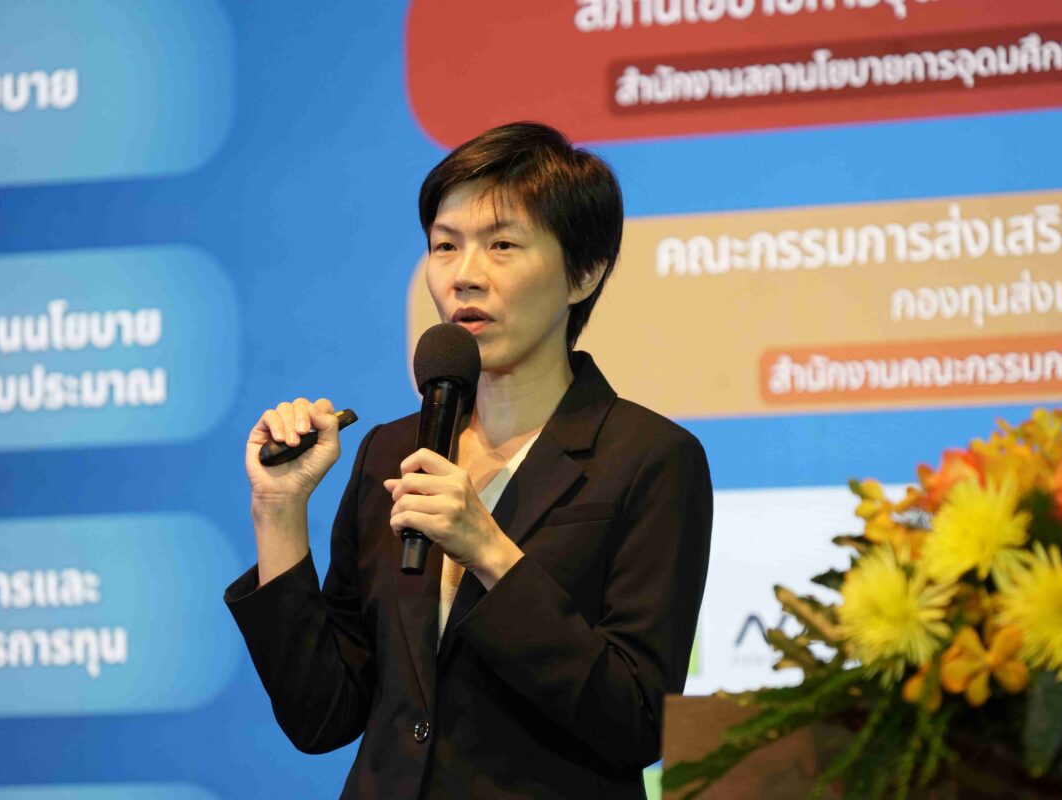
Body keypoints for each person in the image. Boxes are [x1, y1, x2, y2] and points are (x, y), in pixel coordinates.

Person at [225, 121, 713, 799]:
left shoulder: (649, 458)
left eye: (502, 245)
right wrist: (277, 511)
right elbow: (323, 715)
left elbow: (638, 720)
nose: (464, 276)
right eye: (445, 246)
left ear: (584, 273)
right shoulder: (391, 452)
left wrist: (489, 551)